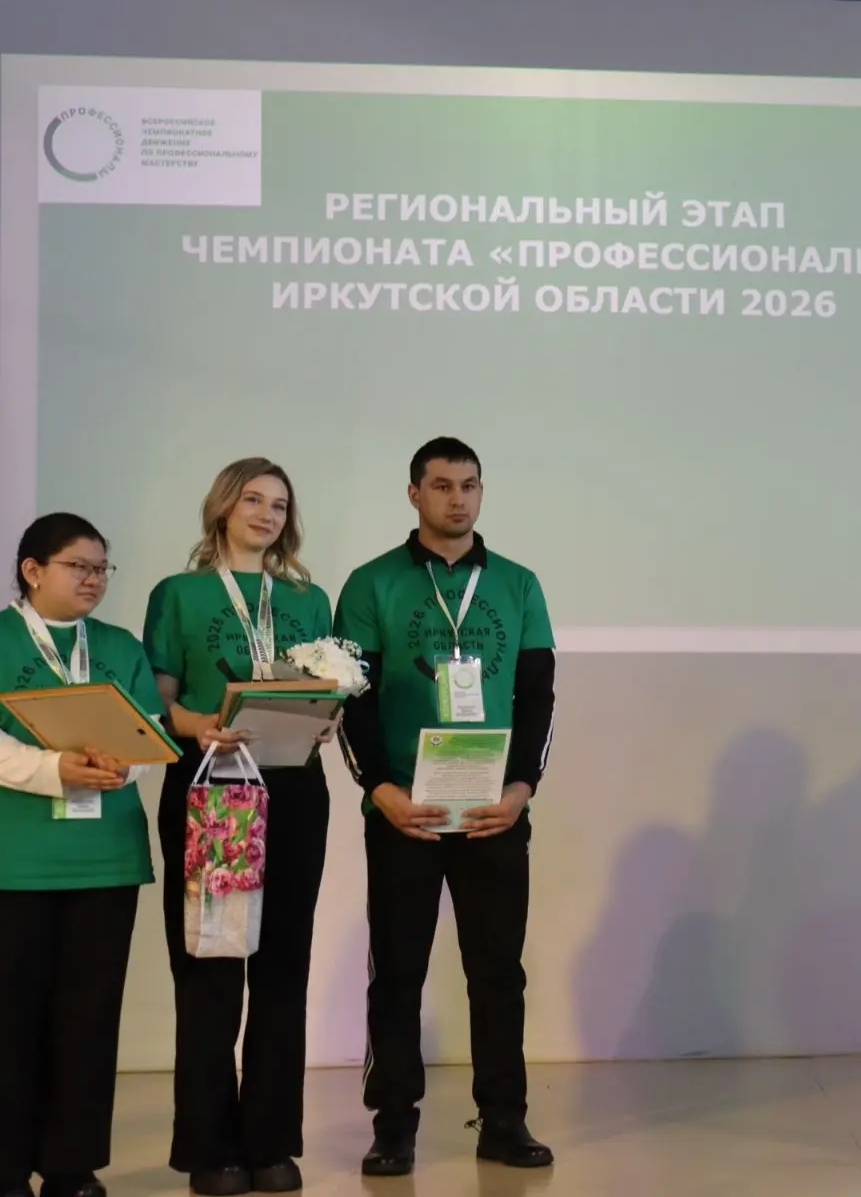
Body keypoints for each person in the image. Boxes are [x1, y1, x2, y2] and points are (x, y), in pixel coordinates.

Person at [335, 437, 558, 1177]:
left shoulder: (519, 584)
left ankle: (504, 1120)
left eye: (469, 485)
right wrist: (381, 790)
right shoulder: (372, 583)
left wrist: (521, 789)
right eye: (441, 485)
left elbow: (538, 697)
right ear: (414, 494)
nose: (457, 499)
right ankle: (393, 1125)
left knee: (498, 972)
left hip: (494, 811)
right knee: (398, 972)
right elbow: (353, 701)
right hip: (407, 812)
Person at [143, 459, 336, 1196]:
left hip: (294, 791)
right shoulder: (179, 594)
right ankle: (210, 1149)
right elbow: (159, 699)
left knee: (284, 965)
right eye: (253, 499)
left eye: (279, 504)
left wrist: (324, 720)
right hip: (213, 787)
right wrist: (201, 726)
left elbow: (327, 688)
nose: (266, 514)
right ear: (223, 507)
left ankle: (271, 1143)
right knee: (211, 965)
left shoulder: (309, 600)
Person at [0, 514, 161, 1197]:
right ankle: (6, 1168)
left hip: (106, 858)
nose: (94, 579)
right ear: (33, 571)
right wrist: (53, 769)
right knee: (12, 1020)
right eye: (79, 566)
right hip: (17, 861)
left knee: (89, 1020)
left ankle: (72, 1167)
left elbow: (151, 734)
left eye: (102, 568)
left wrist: (126, 766)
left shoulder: (120, 646)